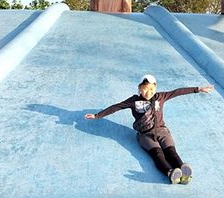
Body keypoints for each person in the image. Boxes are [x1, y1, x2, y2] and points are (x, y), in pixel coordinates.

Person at [85, 74, 215, 184]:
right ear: (139, 88)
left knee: (171, 151)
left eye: (152, 89)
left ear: (156, 88)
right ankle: (170, 173)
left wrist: (198, 89)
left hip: (162, 131)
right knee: (157, 154)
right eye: (146, 89)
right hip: (145, 135)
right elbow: (116, 107)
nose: (149, 92)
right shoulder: (134, 101)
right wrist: (97, 115)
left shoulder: (160, 97)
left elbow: (177, 92)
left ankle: (183, 169)